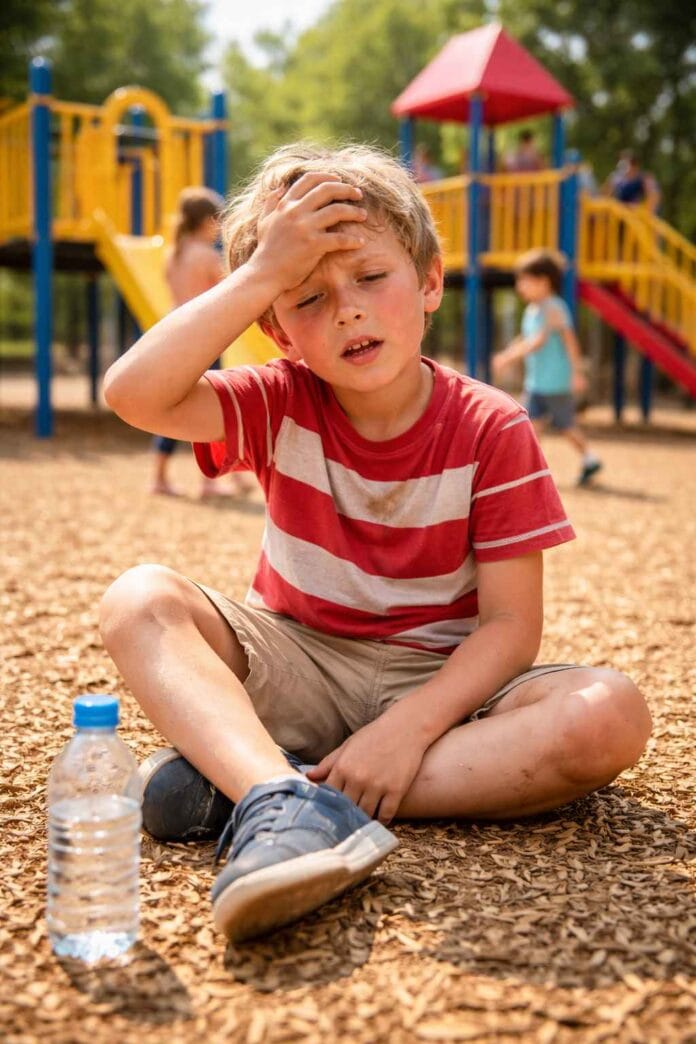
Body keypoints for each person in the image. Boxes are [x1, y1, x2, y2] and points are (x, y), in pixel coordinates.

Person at [100, 144, 651, 944]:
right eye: (308, 297)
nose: (348, 310)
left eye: (369, 278)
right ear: (276, 329)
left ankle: (265, 785)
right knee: (139, 598)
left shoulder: (492, 428)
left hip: (442, 685)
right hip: (297, 660)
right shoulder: (278, 399)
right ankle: (286, 794)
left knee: (610, 716)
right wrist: (260, 273)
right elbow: (133, 394)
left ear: (429, 282)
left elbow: (508, 628)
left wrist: (411, 727)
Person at [151, 186, 252, 498]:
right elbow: (228, 294)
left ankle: (159, 477)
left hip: (174, 337)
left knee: (174, 404)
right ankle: (211, 481)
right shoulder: (207, 257)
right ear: (206, 221)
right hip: (203, 341)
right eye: (217, 221)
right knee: (212, 407)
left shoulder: (174, 255)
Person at [491, 249, 603, 487]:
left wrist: (577, 372)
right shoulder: (533, 310)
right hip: (537, 381)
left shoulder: (553, 308)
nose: (520, 286)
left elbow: (559, 341)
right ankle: (527, 470)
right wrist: (508, 353)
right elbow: (526, 338)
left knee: (566, 425)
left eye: (525, 280)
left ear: (543, 281)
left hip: (554, 381)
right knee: (529, 426)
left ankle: (590, 458)